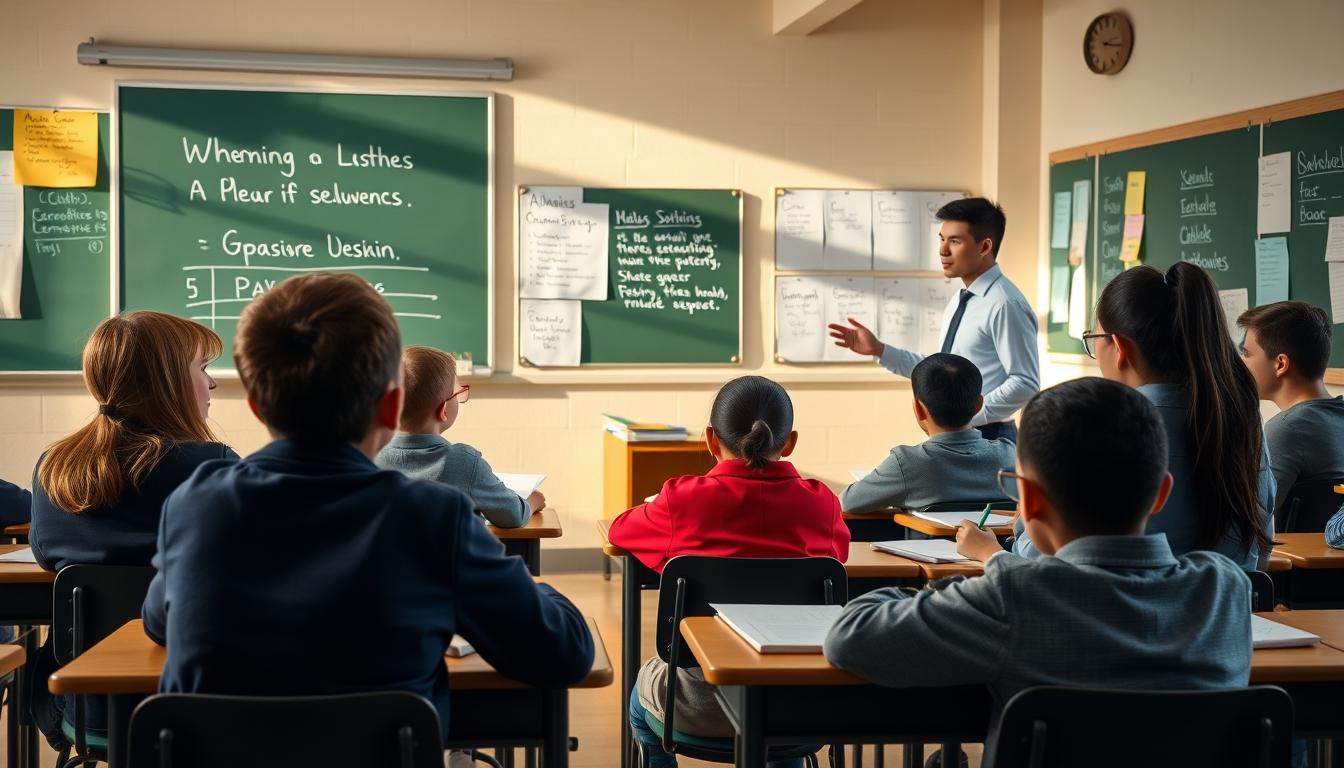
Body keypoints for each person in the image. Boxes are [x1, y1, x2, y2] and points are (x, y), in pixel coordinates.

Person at [141, 272, 593, 744]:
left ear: (256, 406)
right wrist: (538, 587)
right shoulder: (433, 518)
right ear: (390, 404)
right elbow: (565, 652)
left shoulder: (194, 504)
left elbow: (158, 622)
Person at [824, 377, 1252, 751]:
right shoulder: (1224, 591)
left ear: (1027, 499)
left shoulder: (1015, 597)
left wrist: (928, 591)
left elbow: (850, 636)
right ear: (1161, 494)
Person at [609, 375, 848, 768]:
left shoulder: (680, 499)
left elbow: (620, 530)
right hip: (796, 705)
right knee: (778, 727)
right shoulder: (822, 504)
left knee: (640, 699)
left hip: (694, 704)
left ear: (709, 438)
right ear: (789, 443)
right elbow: (835, 558)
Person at [28, 311, 237, 750]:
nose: (213, 383)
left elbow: (46, 557)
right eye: (202, 368)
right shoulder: (213, 467)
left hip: (88, 714)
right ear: (168, 382)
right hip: (197, 706)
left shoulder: (54, 469)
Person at [1015, 263, 1274, 570]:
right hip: (1226, 611)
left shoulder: (1111, 425)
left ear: (1120, 347)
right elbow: (1260, 548)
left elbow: (1063, 556)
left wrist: (1019, 533)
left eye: (1094, 338)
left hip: (1119, 609)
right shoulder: (1240, 417)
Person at [827, 198, 1038, 441]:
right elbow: (940, 371)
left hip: (988, 435)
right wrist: (880, 350)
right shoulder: (962, 299)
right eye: (942, 238)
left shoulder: (1005, 304)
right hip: (959, 434)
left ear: (984, 247)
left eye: (955, 241)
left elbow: (1025, 383)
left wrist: (968, 418)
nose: (943, 250)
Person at [376, 346, 541, 528]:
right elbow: (513, 516)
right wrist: (532, 503)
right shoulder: (463, 462)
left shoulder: (369, 459)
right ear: (444, 410)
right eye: (457, 394)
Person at [843, 353, 1014, 513]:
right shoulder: (1009, 456)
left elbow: (847, 503)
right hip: (999, 545)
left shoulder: (907, 464)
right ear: (978, 405)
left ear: (918, 408)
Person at [1237, 300, 1344, 517]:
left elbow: (1250, 520)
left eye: (1247, 354)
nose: (1240, 363)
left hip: (1293, 551)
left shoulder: (1288, 430)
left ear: (1281, 364)